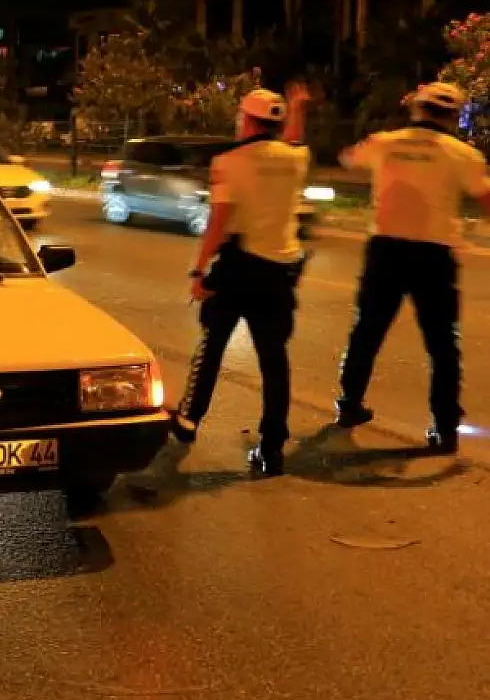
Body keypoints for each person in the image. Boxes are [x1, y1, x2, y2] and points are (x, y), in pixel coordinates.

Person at [334, 82, 490, 454]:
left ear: (417, 108)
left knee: (367, 331)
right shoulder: (461, 154)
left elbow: (347, 158)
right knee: (442, 344)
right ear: (453, 116)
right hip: (434, 256)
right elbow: (486, 196)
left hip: (385, 250)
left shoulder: (386, 143)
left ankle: (350, 404)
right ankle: (445, 427)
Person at [169, 83, 311, 477]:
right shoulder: (296, 159)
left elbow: (218, 222)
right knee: (274, 361)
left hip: (237, 268)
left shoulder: (228, 162)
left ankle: (189, 419)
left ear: (246, 120)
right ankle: (272, 446)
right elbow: (292, 141)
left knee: (212, 344)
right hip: (279, 273)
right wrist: (298, 108)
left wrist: (199, 270)